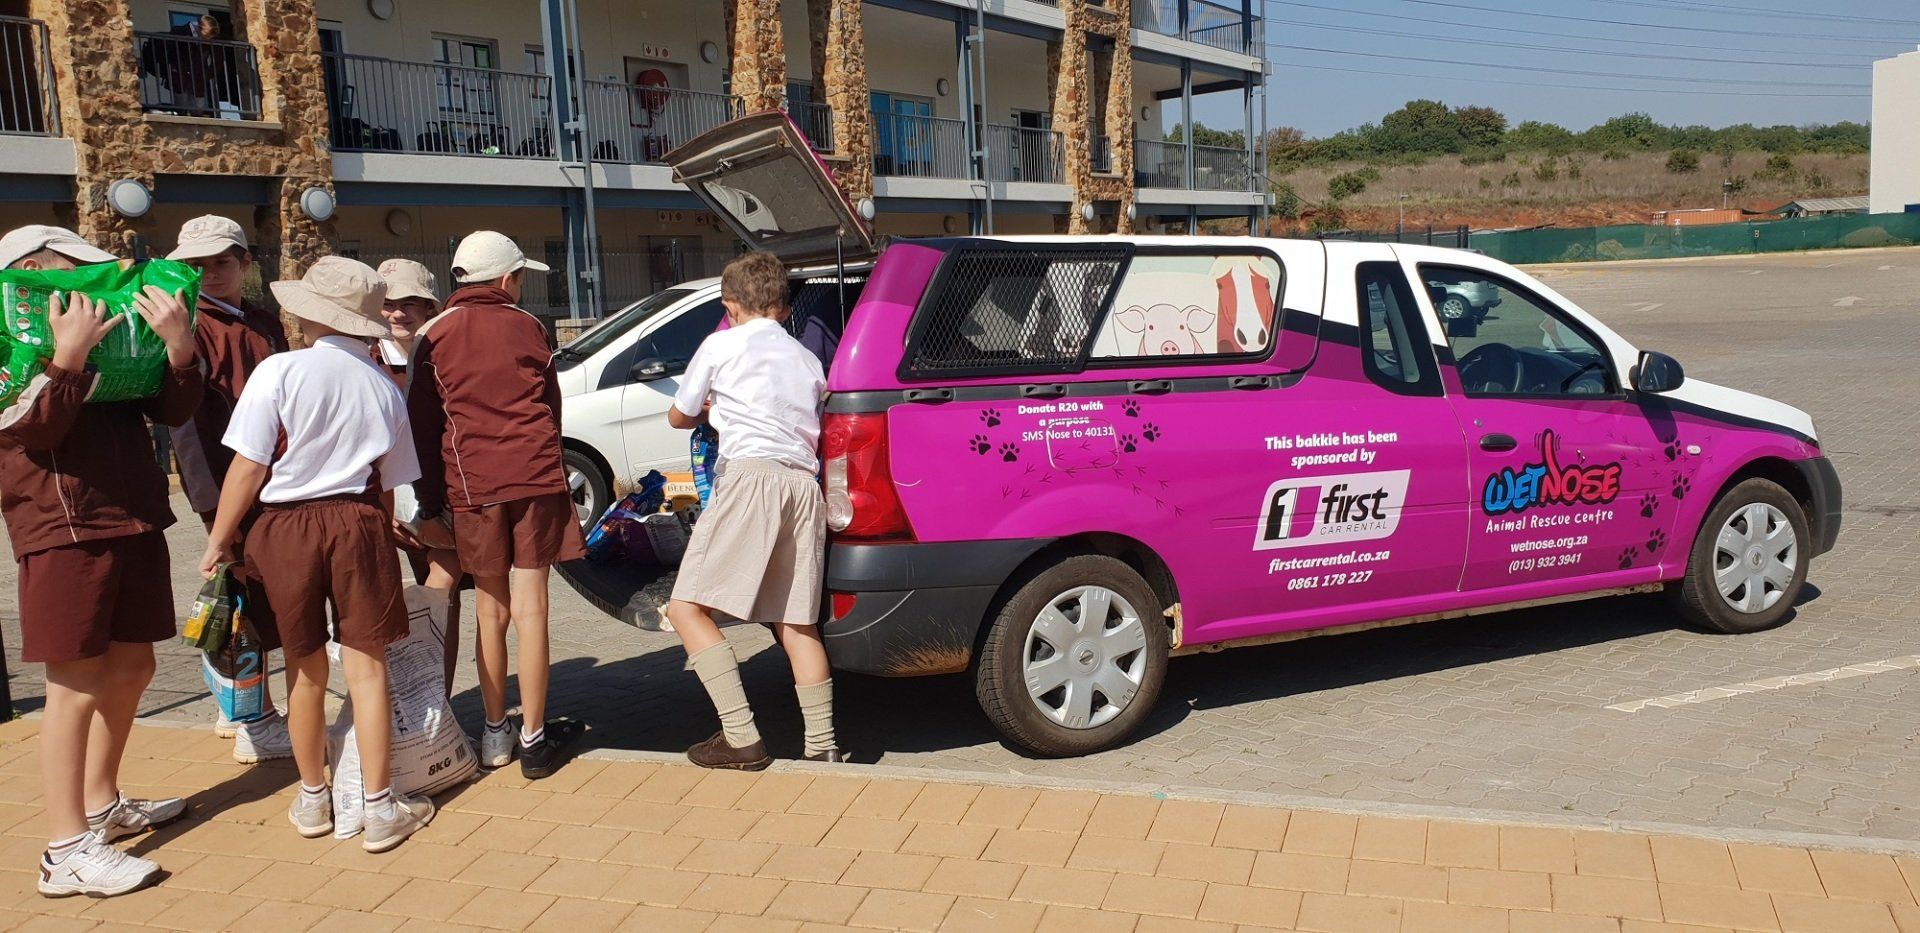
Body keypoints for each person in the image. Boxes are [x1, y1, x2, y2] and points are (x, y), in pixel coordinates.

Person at [198, 256, 434, 852]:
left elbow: (250, 466)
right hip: (358, 521)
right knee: (369, 668)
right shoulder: (384, 385)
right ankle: (380, 809)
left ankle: (312, 797)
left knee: (305, 668)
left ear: (308, 315)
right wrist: (386, 532)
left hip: (283, 527)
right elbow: (387, 482)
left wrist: (219, 538)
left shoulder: (279, 371)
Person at [0, 225, 202, 896]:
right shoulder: (13, 331)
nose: (91, 283)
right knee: (75, 683)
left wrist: (178, 348)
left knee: (136, 662)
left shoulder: (103, 332)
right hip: (62, 525)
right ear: (32, 271)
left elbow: (170, 408)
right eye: (73, 269)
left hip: (130, 512)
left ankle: (100, 804)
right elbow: (32, 429)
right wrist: (65, 359)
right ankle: (64, 849)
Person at [408, 232, 584, 779]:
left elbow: (422, 427)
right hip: (534, 479)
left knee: (491, 611)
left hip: (472, 485)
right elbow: (551, 408)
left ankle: (493, 734)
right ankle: (534, 738)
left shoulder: (432, 334)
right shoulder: (529, 327)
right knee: (533, 609)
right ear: (507, 279)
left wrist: (431, 502)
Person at [663, 250, 842, 770]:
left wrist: (710, 410)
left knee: (686, 608)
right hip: (803, 488)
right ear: (785, 310)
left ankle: (740, 735)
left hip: (750, 479)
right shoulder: (808, 359)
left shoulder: (721, 343)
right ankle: (823, 744)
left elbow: (680, 415)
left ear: (731, 305)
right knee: (796, 623)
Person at [167, 214, 295, 765]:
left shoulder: (265, 321)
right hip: (227, 485)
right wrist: (213, 505)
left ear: (246, 263)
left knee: (253, 601)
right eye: (196, 265)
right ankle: (254, 720)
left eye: (221, 261)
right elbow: (184, 426)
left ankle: (234, 706)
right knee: (246, 603)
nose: (209, 273)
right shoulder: (186, 325)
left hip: (274, 481)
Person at [376, 257, 463, 692]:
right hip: (391, 511)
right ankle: (414, 706)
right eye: (389, 303)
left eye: (411, 302)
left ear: (431, 307)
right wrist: (382, 509)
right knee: (401, 612)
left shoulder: (449, 357)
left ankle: (438, 706)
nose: (398, 313)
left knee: (443, 602)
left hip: (449, 504)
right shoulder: (368, 362)